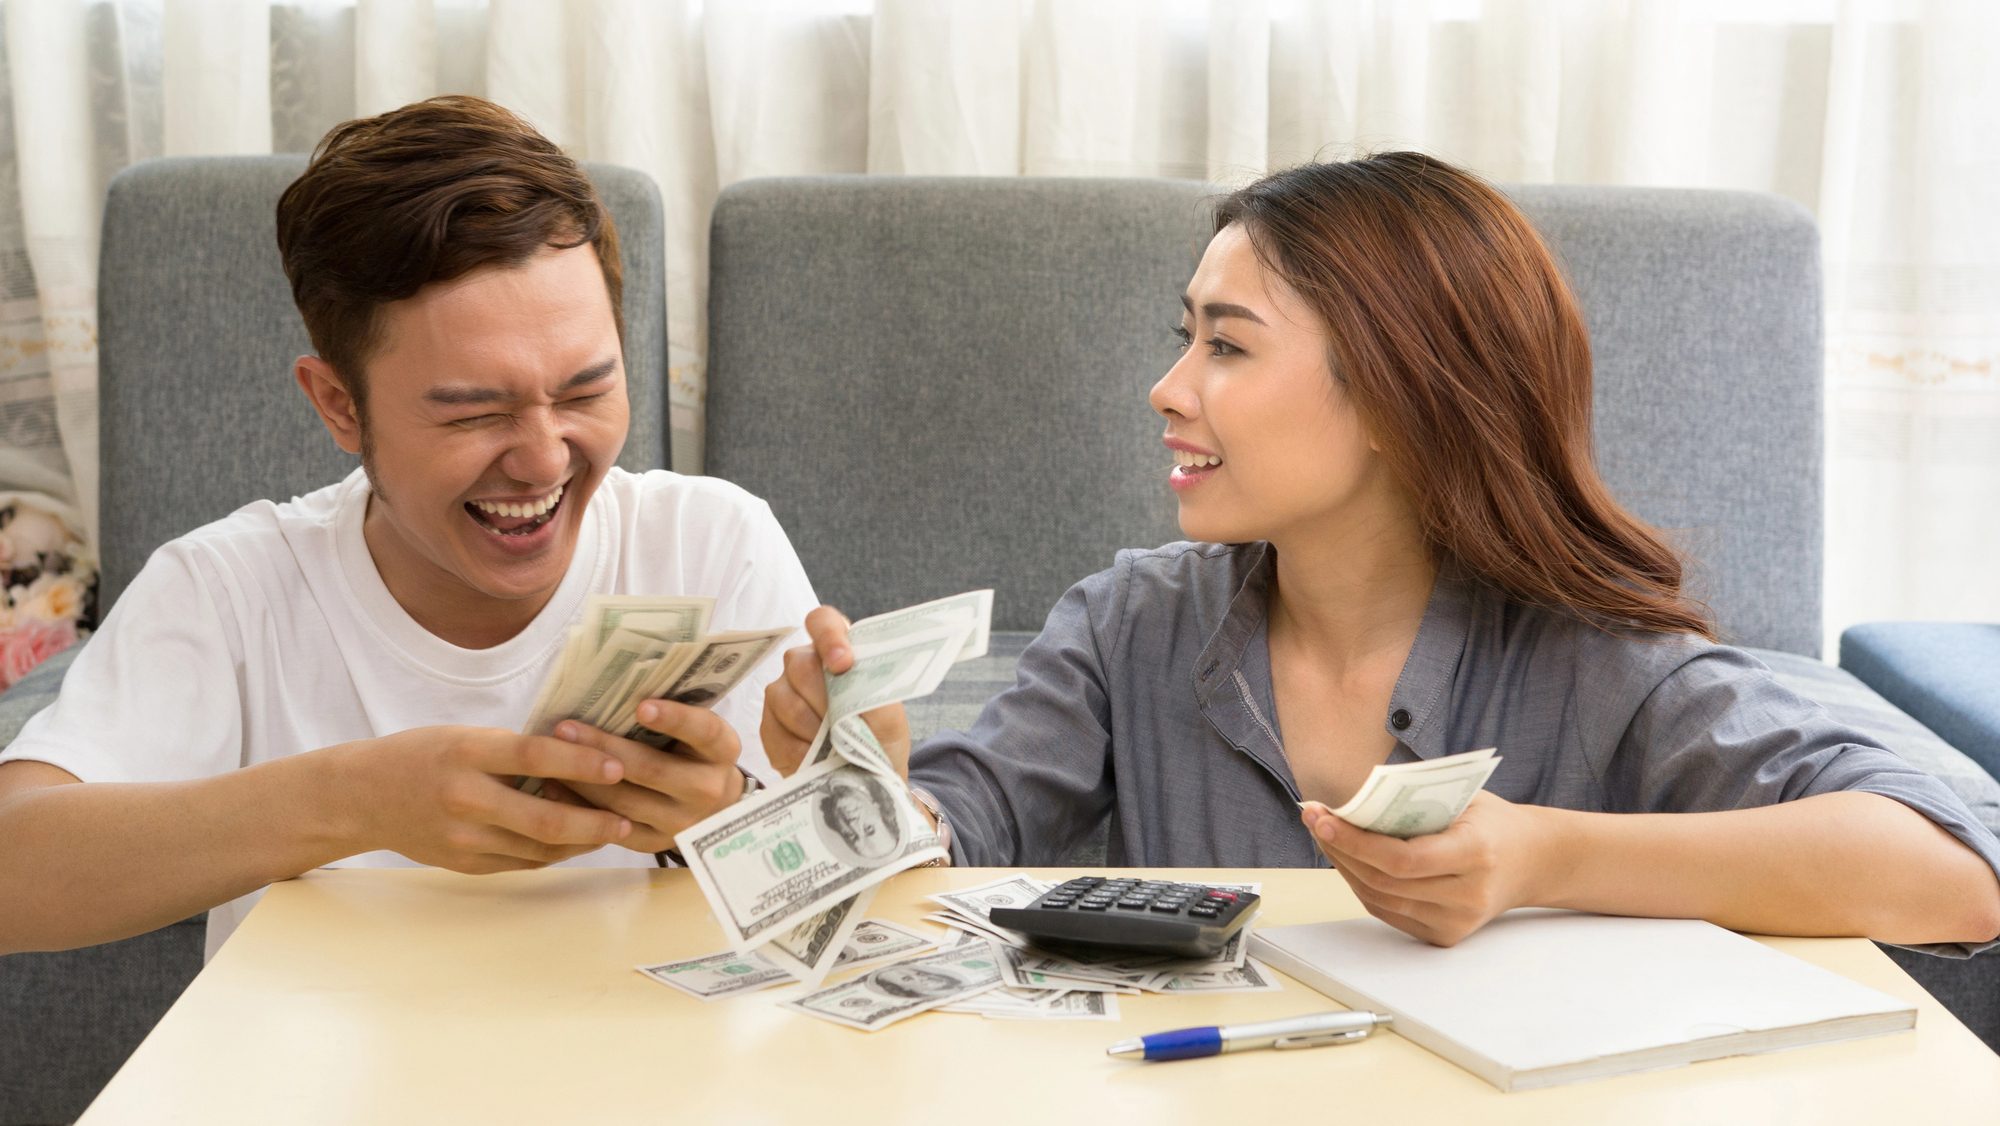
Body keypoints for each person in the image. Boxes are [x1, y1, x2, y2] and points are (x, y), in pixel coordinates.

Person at [763, 153, 2000, 954]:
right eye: (1181, 337)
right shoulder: (1127, 625)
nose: (1166, 388)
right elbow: (951, 840)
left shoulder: (1595, 662)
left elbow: (1947, 872)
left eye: (1227, 347)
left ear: (1396, 400)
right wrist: (863, 784)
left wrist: (1542, 856)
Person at [0, 97, 818, 958]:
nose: (544, 462)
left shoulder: (710, 541)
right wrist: (353, 801)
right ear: (339, 405)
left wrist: (727, 819)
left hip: (652, 1075)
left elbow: (859, 875)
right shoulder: (232, 591)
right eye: (473, 415)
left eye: (583, 392)